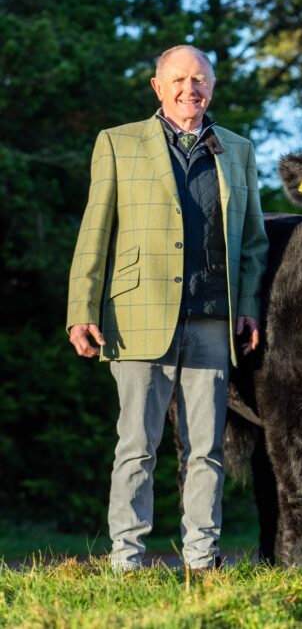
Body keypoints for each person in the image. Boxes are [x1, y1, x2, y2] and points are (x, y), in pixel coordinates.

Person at [66, 45, 269, 573]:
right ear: (158, 87)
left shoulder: (238, 149)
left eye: (199, 80)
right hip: (137, 318)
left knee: (206, 448)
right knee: (136, 445)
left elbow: (253, 240)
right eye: (178, 79)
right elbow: (95, 232)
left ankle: (202, 558)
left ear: (212, 87)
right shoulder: (118, 142)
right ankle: (127, 560)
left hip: (213, 316)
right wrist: (82, 307)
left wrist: (248, 304)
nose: (189, 89)